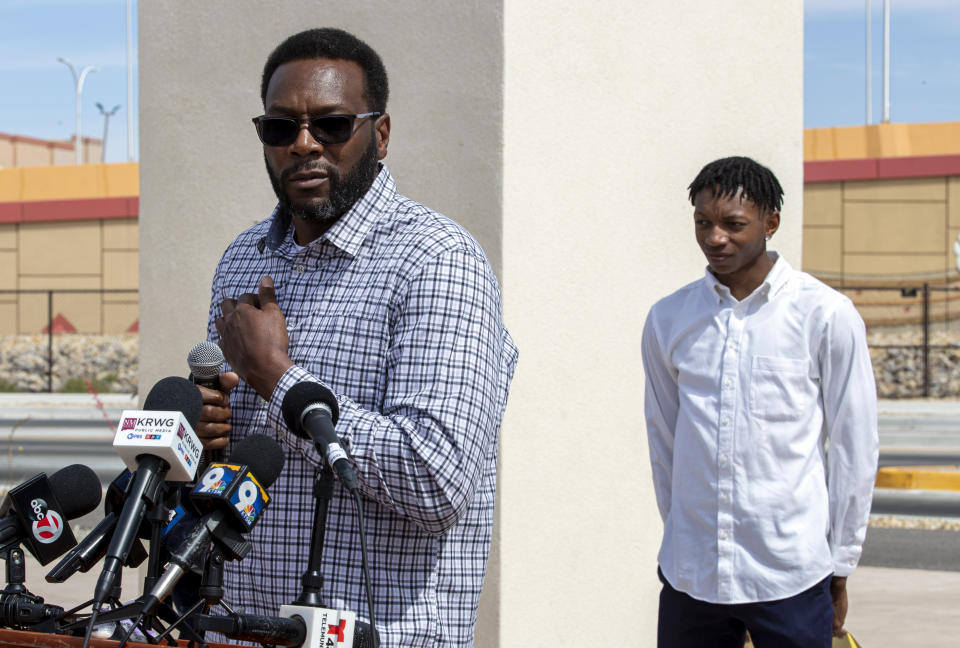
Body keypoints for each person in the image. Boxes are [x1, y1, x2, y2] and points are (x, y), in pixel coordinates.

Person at [194, 28, 518, 647]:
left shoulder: (437, 260)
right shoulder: (242, 258)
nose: (304, 145)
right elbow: (236, 453)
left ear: (381, 133)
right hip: (237, 627)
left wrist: (277, 381)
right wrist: (207, 434)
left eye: (333, 125)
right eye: (280, 128)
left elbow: (438, 477)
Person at [641, 156, 878, 647]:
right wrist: (682, 532)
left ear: (771, 222)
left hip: (789, 574)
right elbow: (664, 438)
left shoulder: (825, 315)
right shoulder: (669, 318)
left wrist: (842, 562)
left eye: (733, 225)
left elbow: (856, 446)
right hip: (693, 576)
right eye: (703, 223)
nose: (715, 238)